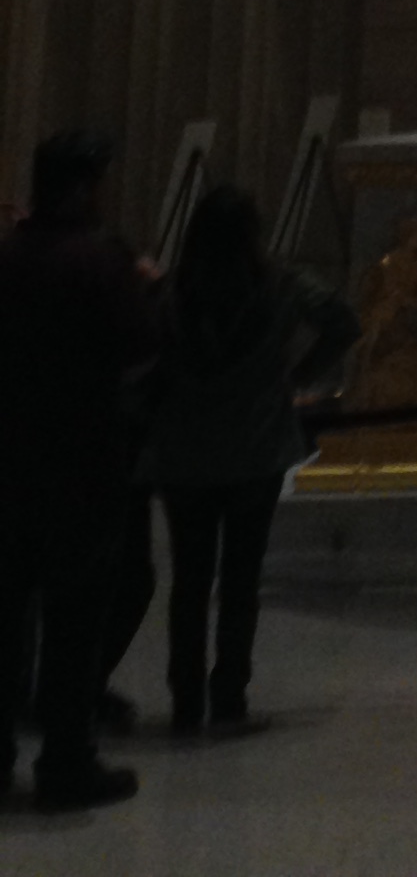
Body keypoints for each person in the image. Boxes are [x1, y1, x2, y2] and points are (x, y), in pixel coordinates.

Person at [144, 184, 358, 732]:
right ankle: (230, 692)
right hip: (254, 447)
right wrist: (299, 375)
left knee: (190, 579)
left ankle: (185, 696)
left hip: (187, 450)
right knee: (241, 577)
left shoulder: (171, 290)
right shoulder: (283, 284)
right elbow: (342, 321)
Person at [0, 130, 160, 808]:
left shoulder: (6, 256)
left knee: (5, 618)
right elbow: (143, 345)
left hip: (7, 463)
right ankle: (66, 762)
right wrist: (148, 287)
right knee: (73, 623)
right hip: (79, 465)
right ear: (82, 186)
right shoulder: (97, 261)